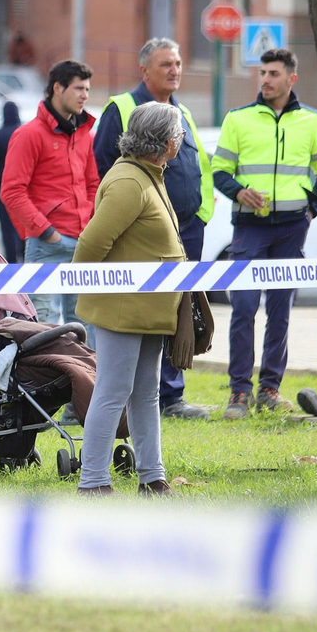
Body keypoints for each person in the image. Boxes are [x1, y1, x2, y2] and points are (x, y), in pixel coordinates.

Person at [211, 48, 317, 419]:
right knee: (243, 308)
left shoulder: (313, 122)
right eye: (262, 72)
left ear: (291, 78)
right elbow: (219, 170)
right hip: (248, 227)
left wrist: (311, 209)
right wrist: (239, 192)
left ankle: (269, 389)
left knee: (281, 310)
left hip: (291, 229)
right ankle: (239, 392)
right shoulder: (238, 118)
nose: (265, 79)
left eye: (273, 74)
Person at [73, 102, 190, 495]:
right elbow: (90, 246)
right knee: (113, 391)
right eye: (179, 134)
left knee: (145, 394)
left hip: (147, 311)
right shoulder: (129, 181)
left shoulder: (146, 174)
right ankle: (93, 482)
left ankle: (152, 478)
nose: (181, 140)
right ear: (167, 142)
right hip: (122, 310)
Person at [94, 38, 213, 421]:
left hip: (186, 230)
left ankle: (172, 395)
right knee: (144, 315)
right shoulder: (122, 108)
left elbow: (200, 166)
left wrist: (201, 213)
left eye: (177, 63)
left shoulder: (183, 112)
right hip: (143, 237)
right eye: (165, 64)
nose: (174, 70)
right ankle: (136, 395)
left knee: (179, 313)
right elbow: (104, 170)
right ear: (144, 69)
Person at [0, 59, 98, 327]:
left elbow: (93, 184)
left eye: (87, 89)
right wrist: (47, 232)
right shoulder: (29, 134)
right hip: (46, 245)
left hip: (82, 242)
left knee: (83, 325)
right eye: (78, 88)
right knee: (43, 328)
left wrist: (88, 225)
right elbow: (11, 192)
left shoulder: (85, 135)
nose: (84, 95)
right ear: (57, 88)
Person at [0, 101, 25, 263]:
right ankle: (25, 260)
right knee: (25, 226)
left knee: (6, 229)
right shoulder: (24, 133)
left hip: (2, 191)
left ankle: (11, 263)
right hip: (24, 191)